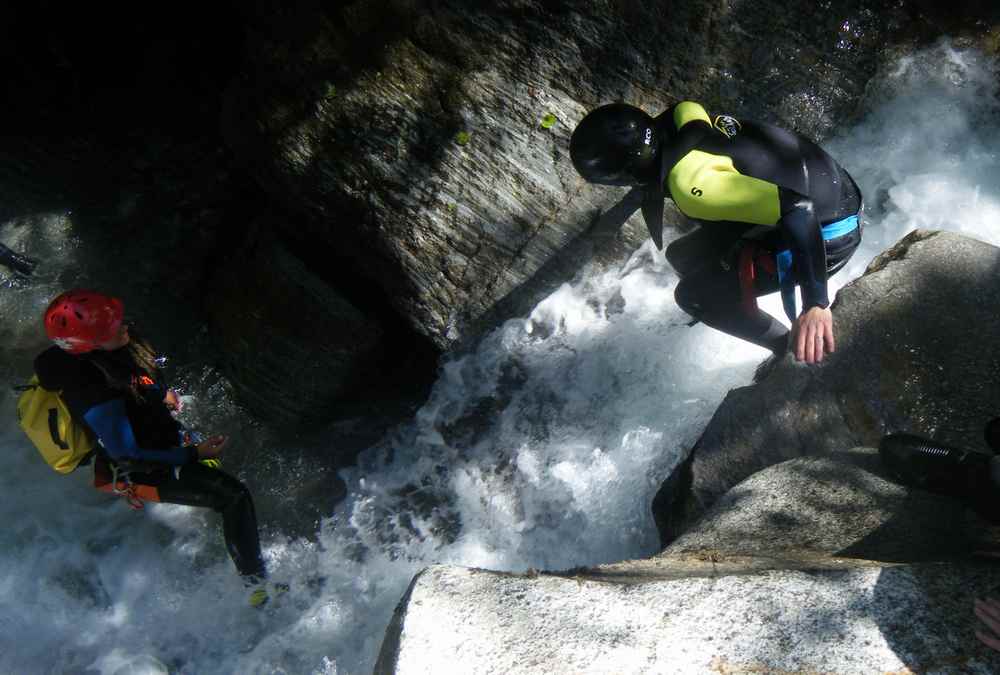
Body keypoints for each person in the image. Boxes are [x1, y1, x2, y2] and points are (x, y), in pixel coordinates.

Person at [569, 101, 863, 363]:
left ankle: (784, 349)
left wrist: (815, 303)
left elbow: (800, 209)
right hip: (836, 186)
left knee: (694, 295)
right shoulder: (681, 115)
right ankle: (731, 300)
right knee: (683, 256)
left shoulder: (693, 187)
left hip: (830, 234)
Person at [34, 289, 277, 606]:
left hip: (153, 433)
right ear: (88, 347)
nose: (123, 328)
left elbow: (134, 373)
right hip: (135, 467)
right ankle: (257, 588)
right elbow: (128, 455)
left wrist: (160, 393)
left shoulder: (110, 341)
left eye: (116, 319)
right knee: (233, 496)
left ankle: (202, 481)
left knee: (209, 473)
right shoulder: (91, 391)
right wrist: (194, 454)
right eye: (111, 328)